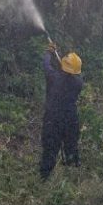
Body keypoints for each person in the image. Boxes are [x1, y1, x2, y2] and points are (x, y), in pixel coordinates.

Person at [40, 42, 84, 180]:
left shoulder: (54, 78)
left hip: (53, 119)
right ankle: (73, 176)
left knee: (50, 149)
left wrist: (49, 53)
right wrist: (59, 59)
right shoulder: (79, 82)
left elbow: (47, 66)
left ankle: (44, 178)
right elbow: (67, 73)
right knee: (71, 146)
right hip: (71, 119)